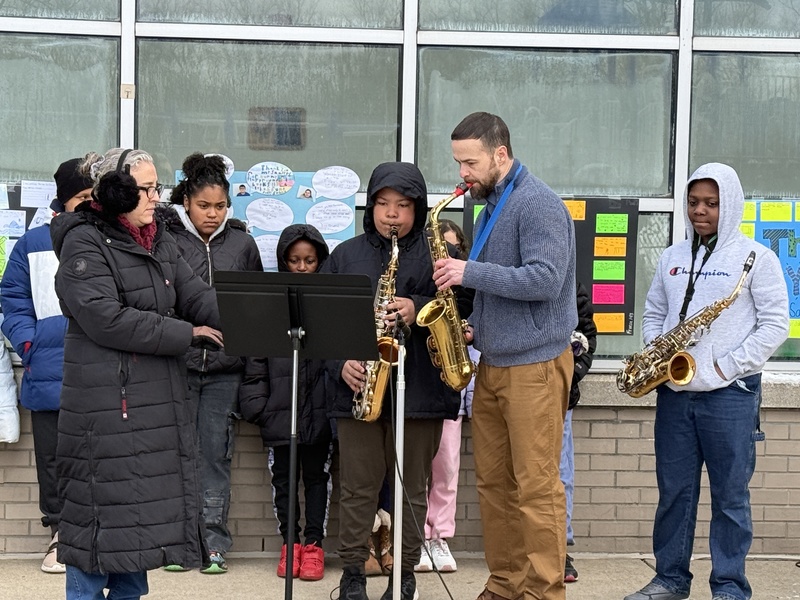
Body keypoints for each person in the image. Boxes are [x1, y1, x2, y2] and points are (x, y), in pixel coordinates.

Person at [50, 147, 223, 600]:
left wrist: (257, 314)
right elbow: (104, 317)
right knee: (95, 542)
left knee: (136, 546)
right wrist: (187, 333)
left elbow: (199, 297)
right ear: (115, 192)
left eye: (156, 187)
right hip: (105, 415)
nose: (156, 198)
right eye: (145, 188)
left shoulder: (159, 239)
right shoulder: (82, 241)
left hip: (151, 415)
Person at [624, 163, 789, 600]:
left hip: (731, 396)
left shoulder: (758, 257)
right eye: (695, 202)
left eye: (712, 204)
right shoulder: (673, 257)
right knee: (674, 494)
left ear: (729, 205)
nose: (701, 211)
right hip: (675, 394)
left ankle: (730, 587)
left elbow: (775, 325)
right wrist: (658, 352)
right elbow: (655, 311)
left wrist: (725, 366)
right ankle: (670, 580)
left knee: (730, 498)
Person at [433, 112, 577, 600]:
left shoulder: (538, 204)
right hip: (494, 364)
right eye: (458, 163)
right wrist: (478, 326)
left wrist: (467, 271)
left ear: (500, 154)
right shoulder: (490, 202)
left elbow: (545, 280)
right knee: (495, 487)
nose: (462, 174)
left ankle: (542, 591)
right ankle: (505, 583)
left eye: (469, 162)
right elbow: (505, 285)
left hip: (534, 367)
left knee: (536, 489)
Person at [322, 161, 469, 600]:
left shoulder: (438, 253)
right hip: (360, 388)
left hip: (421, 389)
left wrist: (417, 306)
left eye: (402, 205)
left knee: (411, 489)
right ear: (370, 207)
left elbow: (466, 307)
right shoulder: (345, 255)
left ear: (418, 208)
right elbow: (322, 322)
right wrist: (338, 363)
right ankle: (352, 574)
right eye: (383, 204)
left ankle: (404, 576)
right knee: (356, 487)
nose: (391, 214)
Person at [159, 152, 263, 574]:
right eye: (204, 206)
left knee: (215, 456)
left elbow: (255, 311)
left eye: (220, 206)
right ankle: (176, 544)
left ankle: (214, 543)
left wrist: (252, 367)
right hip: (175, 365)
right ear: (186, 202)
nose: (213, 214)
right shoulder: (166, 241)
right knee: (175, 455)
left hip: (225, 370)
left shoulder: (243, 243)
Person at [0, 157, 93, 573]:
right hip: (49, 370)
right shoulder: (32, 243)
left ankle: (100, 538)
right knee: (54, 460)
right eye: (82, 198)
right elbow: (12, 300)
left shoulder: (111, 241)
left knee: (102, 458)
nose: (90, 206)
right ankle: (59, 536)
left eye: (96, 198)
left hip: (103, 371)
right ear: (62, 200)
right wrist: (30, 344)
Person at [239, 223, 333, 582]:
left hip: (320, 416)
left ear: (319, 260)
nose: (302, 267)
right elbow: (254, 362)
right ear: (283, 262)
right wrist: (259, 408)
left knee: (316, 479)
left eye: (309, 260)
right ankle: (289, 545)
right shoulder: (270, 304)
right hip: (279, 415)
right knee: (283, 482)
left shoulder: (328, 303)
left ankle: (314, 546)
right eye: (294, 260)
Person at [415, 218, 470, 574]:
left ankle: (441, 538)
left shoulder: (464, 287)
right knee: (417, 468)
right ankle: (416, 538)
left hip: (451, 384)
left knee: (447, 467)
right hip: (421, 383)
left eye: (453, 250)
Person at [563, 281, 597, 583]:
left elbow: (586, 333)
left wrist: (568, 375)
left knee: (560, 476)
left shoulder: (570, 282)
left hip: (558, 396)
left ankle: (558, 549)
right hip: (512, 391)